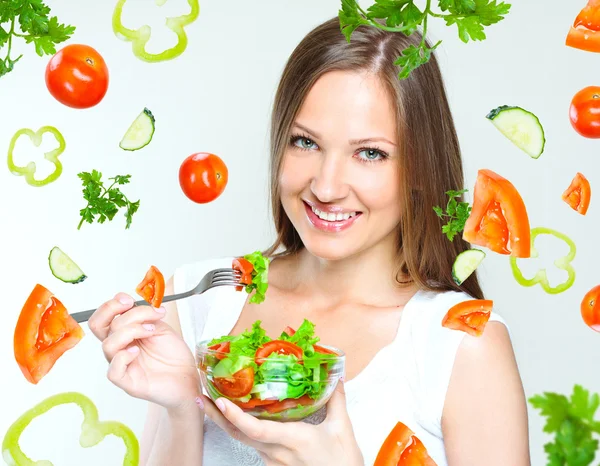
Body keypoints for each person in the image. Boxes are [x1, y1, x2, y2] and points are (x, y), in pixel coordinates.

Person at [88, 16, 531, 466]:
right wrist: (184, 409)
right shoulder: (201, 300)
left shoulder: (462, 344)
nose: (327, 186)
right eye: (305, 143)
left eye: (370, 153)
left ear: (419, 168)